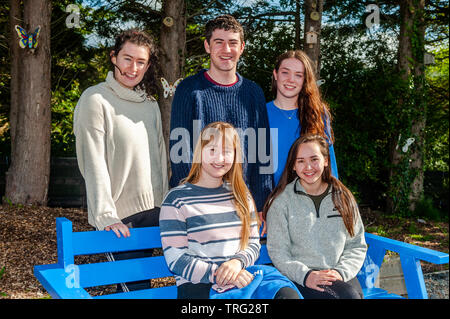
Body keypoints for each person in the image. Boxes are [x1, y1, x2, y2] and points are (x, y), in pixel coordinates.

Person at [160, 122, 301, 299]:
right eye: (212, 150)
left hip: (243, 276)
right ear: (199, 152)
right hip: (200, 286)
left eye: (226, 151)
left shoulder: (241, 196)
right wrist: (221, 273)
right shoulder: (177, 200)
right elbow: (176, 258)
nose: (219, 158)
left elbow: (252, 243)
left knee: (287, 295)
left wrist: (237, 263)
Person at [73, 29, 168, 292]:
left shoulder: (150, 103)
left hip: (155, 213)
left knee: (147, 289)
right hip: (121, 218)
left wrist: (166, 205)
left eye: (141, 62)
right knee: (133, 290)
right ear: (113, 57)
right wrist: (106, 216)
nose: (133, 68)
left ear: (148, 66)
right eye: (127, 59)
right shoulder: (95, 99)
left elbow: (159, 156)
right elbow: (93, 163)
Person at [169, 14, 273, 216]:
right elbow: (180, 153)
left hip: (243, 203)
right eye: (219, 42)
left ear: (242, 47)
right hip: (197, 205)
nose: (226, 50)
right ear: (207, 46)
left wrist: (261, 205)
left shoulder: (253, 92)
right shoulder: (189, 90)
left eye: (233, 43)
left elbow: (263, 153)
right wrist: (196, 201)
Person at [263, 134, 367, 299]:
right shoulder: (282, 202)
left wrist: (340, 272)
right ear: (293, 166)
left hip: (338, 274)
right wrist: (306, 276)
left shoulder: (343, 197)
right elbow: (278, 252)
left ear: (325, 161)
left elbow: (356, 245)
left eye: (314, 159)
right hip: (300, 277)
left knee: (351, 296)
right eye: (301, 161)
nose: (308, 167)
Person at [267, 50, 338, 188]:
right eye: (285, 72)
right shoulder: (261, 113)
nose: (291, 79)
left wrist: (333, 197)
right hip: (272, 200)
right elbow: (256, 164)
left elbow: (329, 163)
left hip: (310, 199)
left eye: (298, 75)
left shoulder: (317, 113)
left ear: (305, 80)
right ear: (275, 74)